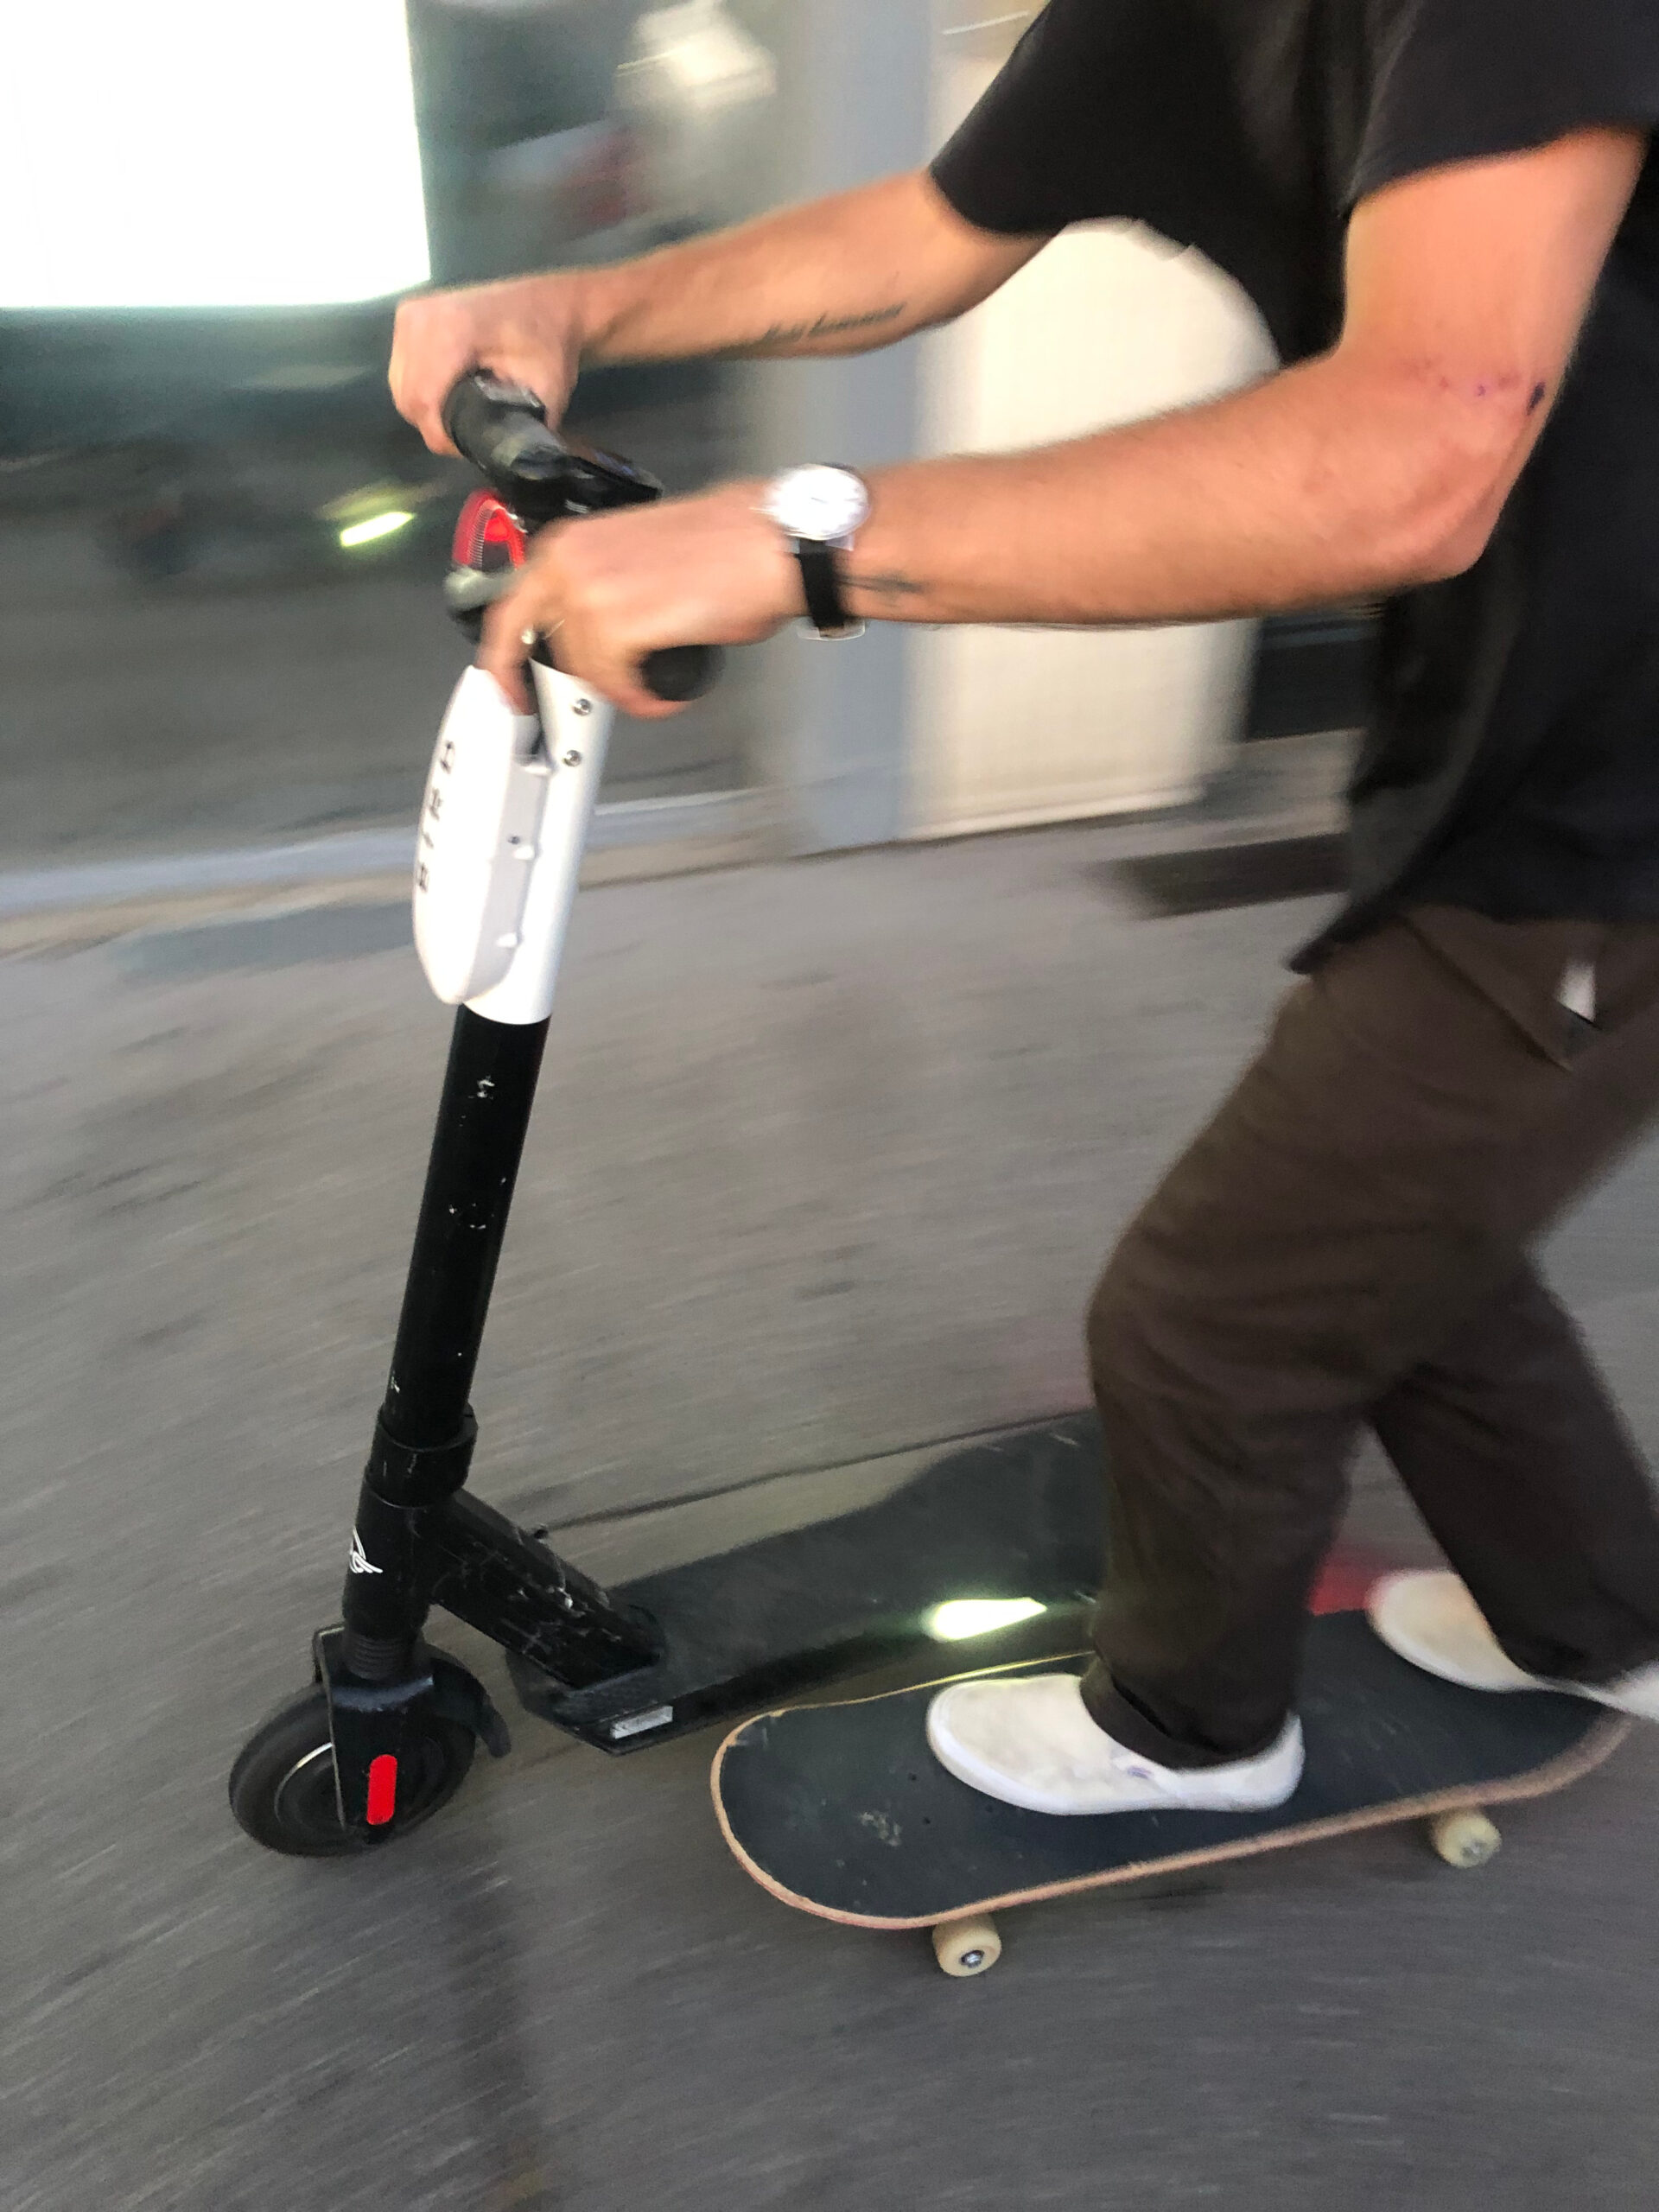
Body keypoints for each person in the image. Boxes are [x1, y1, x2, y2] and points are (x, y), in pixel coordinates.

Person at [391, 0, 1659, 1817]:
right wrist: (584, 308)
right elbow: (925, 229)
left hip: (1620, 806)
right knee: (1395, 1229)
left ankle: (1190, 1725)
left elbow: (1415, 456)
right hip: (1512, 719)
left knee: (1210, 1316)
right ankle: (1604, 1610)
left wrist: (796, 536)